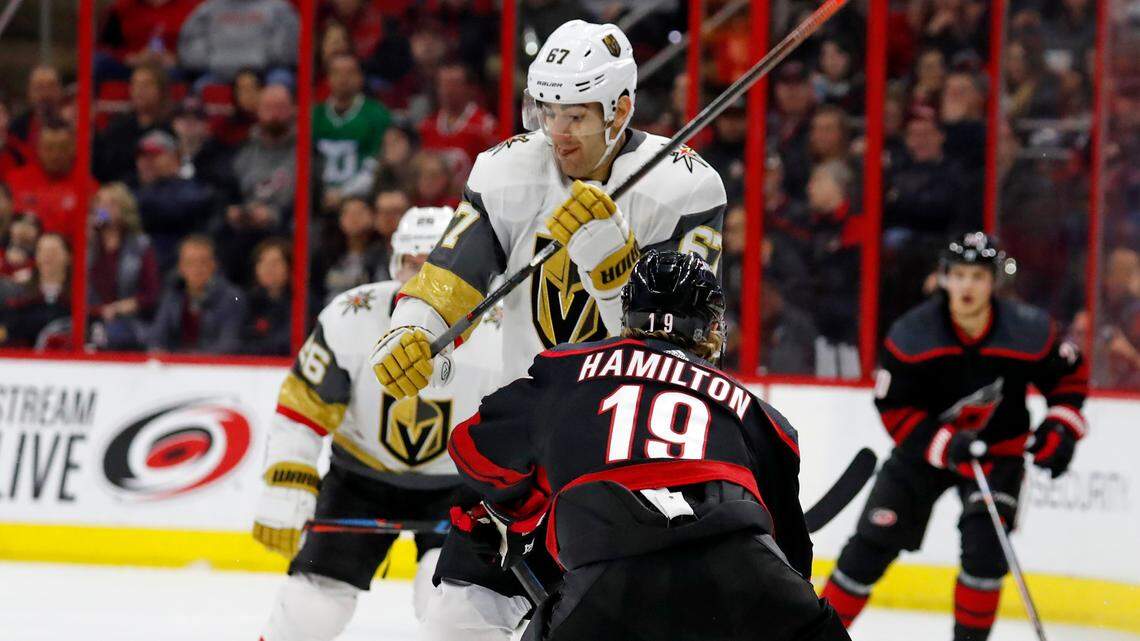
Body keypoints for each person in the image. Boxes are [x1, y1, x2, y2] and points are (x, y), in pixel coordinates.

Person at [370, 19, 726, 641]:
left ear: (621, 109)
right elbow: (452, 276)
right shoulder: (507, 170)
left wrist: (616, 276)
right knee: (455, 618)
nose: (556, 132)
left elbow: (688, 351)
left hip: (629, 439)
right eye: (547, 109)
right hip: (530, 430)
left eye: (576, 115)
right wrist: (410, 329)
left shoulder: (686, 185)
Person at [447, 250, 847, 641]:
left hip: (608, 579)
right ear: (710, 328)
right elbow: (791, 559)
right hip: (744, 570)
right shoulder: (762, 416)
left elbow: (471, 449)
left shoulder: (566, 369)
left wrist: (518, 512)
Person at [820, 233, 1089, 641]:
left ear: (993, 282)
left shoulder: (1028, 330)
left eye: (977, 277)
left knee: (985, 553)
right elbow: (892, 406)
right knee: (869, 548)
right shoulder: (913, 334)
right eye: (958, 275)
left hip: (996, 456)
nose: (966, 286)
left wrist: (1060, 429)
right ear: (944, 279)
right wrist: (943, 445)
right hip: (921, 455)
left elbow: (1069, 377)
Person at [252, 206, 500, 641]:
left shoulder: (500, 327)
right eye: (412, 264)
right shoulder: (350, 316)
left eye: (435, 266)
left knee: (453, 603)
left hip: (460, 483)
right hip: (360, 480)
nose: (422, 279)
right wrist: (286, 482)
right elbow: (302, 408)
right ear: (393, 263)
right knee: (311, 607)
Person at [314, 53, 391, 213]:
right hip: (318, 201)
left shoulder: (376, 114)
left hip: (362, 200)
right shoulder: (315, 115)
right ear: (328, 78)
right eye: (337, 73)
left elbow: (375, 163)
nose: (343, 79)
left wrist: (344, 193)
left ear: (360, 77)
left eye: (349, 73)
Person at [87, 182, 160, 351]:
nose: (102, 208)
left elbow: (151, 294)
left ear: (123, 209)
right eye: (99, 203)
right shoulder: (90, 245)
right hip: (92, 317)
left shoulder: (141, 246)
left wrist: (117, 308)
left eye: (109, 204)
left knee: (110, 336)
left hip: (129, 322)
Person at [147, 234, 246, 353]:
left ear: (213, 265)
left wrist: (191, 360)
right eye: (190, 262)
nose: (197, 268)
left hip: (213, 367)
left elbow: (229, 343)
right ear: (181, 267)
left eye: (203, 262)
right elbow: (156, 337)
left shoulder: (232, 297)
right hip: (175, 366)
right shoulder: (172, 295)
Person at [0, 232, 72, 348]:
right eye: (42, 251)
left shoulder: (78, 297)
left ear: (68, 256)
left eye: (53, 251)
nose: (47, 256)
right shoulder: (19, 296)